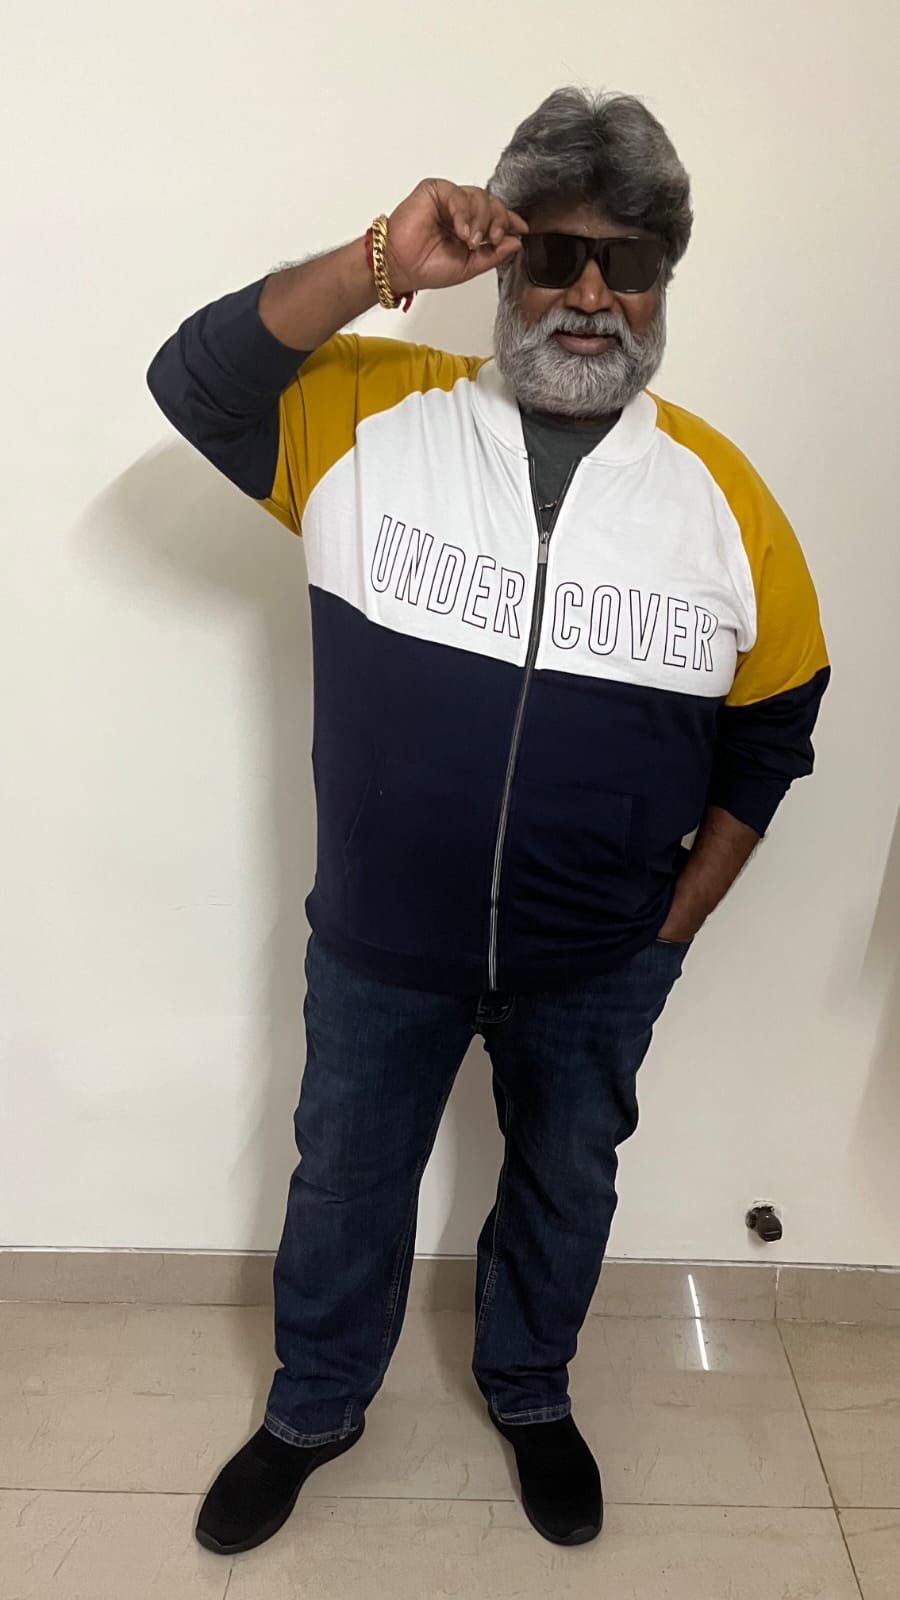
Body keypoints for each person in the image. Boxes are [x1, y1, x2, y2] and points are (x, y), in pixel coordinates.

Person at [147, 87, 829, 1555]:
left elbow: (778, 726)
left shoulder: (725, 500)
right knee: (345, 1183)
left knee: (565, 1185)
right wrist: (379, 262)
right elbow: (194, 381)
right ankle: (313, 1409)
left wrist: (677, 920)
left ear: (661, 282)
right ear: (506, 266)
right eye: (558, 256)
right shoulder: (366, 415)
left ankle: (529, 1391)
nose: (591, 295)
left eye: (628, 263)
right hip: (382, 944)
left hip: (599, 960)